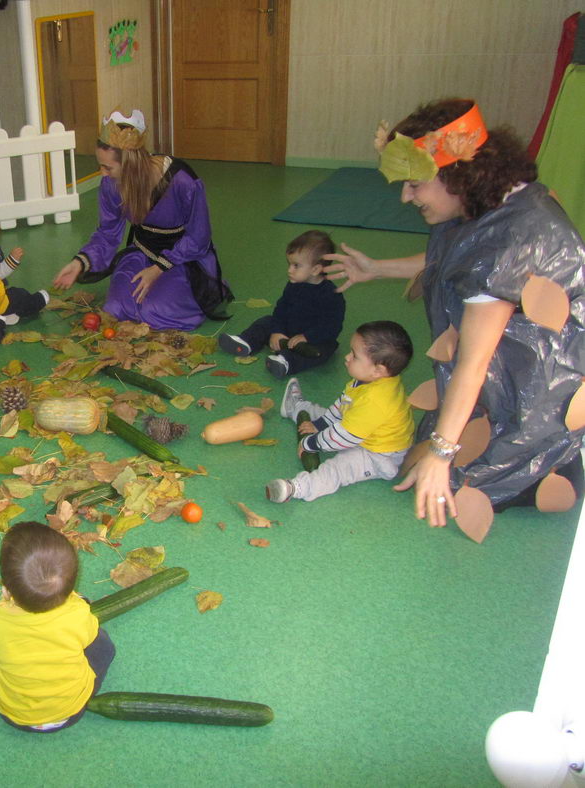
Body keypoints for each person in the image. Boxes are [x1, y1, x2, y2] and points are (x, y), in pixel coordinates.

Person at [323, 99, 585, 530]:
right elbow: (454, 257)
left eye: (414, 184)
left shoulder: (509, 241)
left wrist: (443, 456)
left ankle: (552, 459)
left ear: (455, 175)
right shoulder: (481, 201)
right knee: (415, 462)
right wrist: (376, 269)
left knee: (456, 481)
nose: (406, 196)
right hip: (509, 356)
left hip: (543, 377)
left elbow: (474, 360)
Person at [52, 109, 231, 332]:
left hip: (183, 258)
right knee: (116, 308)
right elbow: (108, 232)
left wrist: (157, 269)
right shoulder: (111, 184)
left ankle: (210, 287)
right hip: (143, 251)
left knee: (154, 311)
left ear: (130, 164)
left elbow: (199, 237)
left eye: (107, 167)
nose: (103, 173)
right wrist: (80, 262)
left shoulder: (183, 181)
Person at [0, 521, 115, 732]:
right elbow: (89, 636)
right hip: (72, 709)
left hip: (15, 716)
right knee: (104, 643)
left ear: (6, 590)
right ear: (71, 588)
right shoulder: (79, 613)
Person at [266, 321, 414, 504]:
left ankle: (297, 488)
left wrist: (311, 443)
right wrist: (318, 424)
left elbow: (343, 436)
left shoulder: (376, 401)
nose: (346, 357)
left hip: (378, 454)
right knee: (326, 414)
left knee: (339, 468)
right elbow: (342, 406)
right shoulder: (368, 380)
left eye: (354, 355)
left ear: (378, 370)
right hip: (359, 430)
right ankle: (296, 408)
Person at [219, 230, 345, 378]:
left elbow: (332, 326)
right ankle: (246, 342)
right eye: (289, 264)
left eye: (296, 266)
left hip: (312, 340)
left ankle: (286, 362)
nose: (289, 270)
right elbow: (281, 309)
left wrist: (307, 337)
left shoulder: (331, 294)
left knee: (322, 351)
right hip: (286, 332)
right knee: (265, 322)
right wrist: (277, 331)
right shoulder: (294, 284)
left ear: (315, 269)